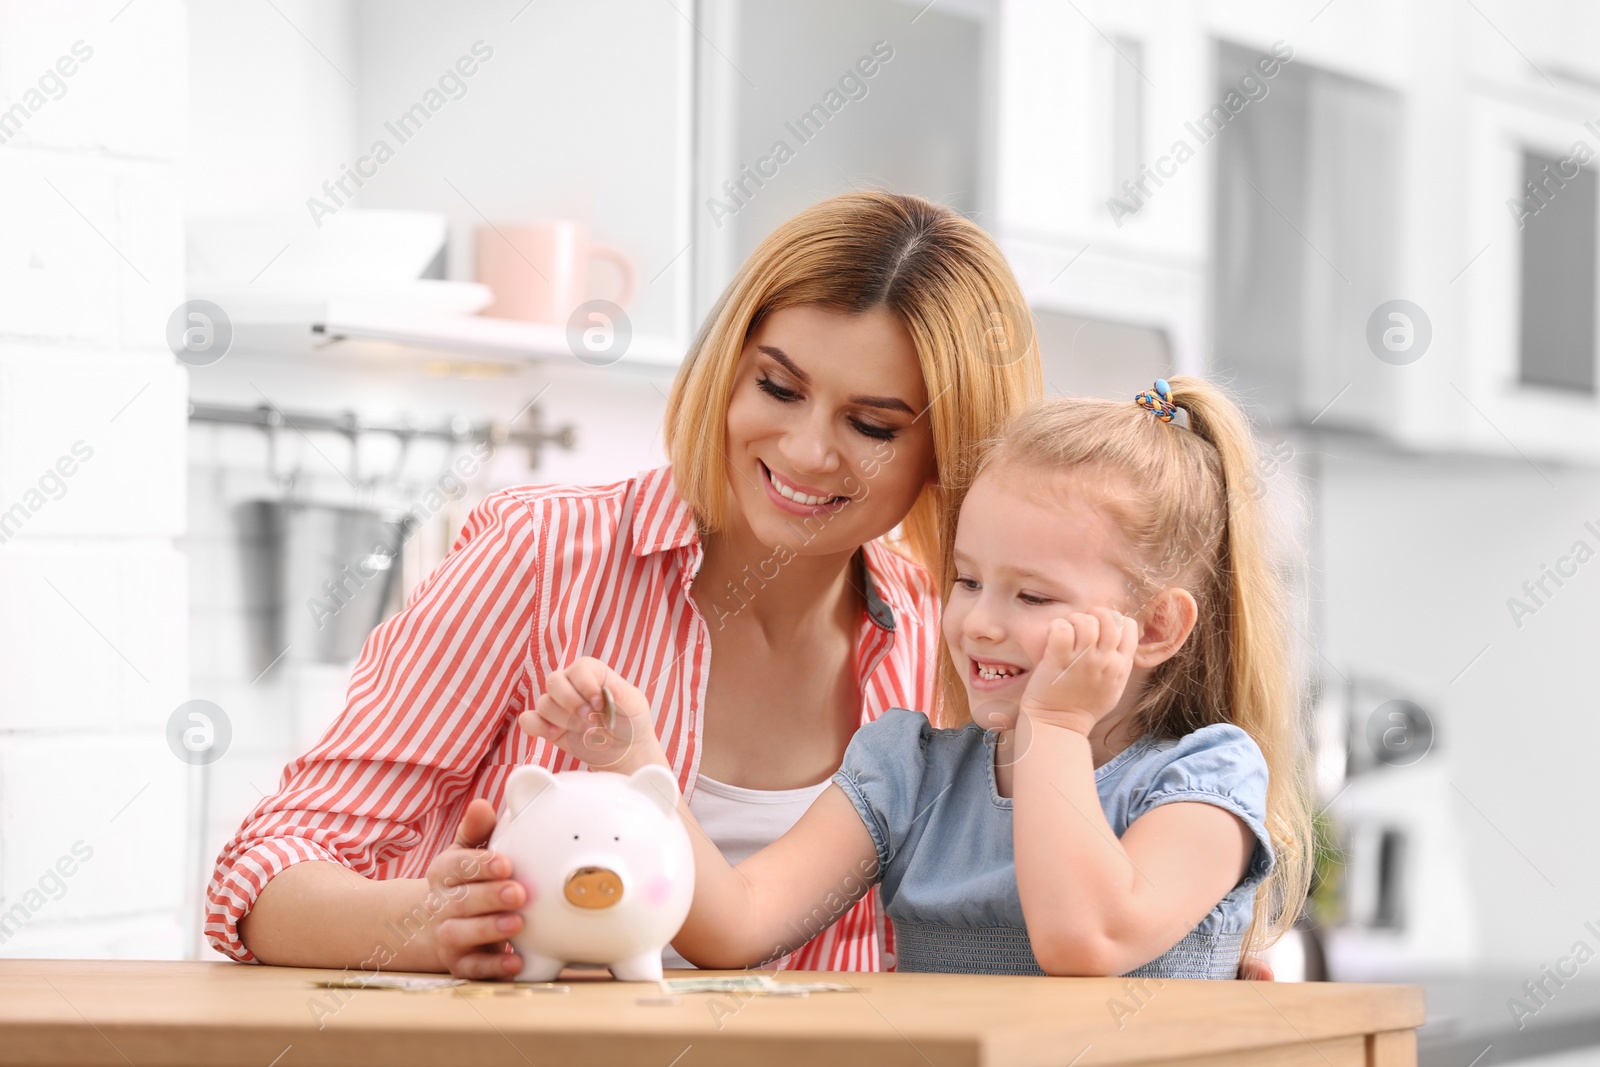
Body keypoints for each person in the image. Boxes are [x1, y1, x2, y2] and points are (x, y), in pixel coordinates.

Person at [205, 190, 1043, 977]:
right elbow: (264, 876)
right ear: (729, 367)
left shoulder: (953, 638)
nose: (804, 449)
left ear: (951, 453)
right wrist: (431, 922)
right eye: (777, 386)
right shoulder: (543, 557)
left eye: (871, 425)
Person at [528, 378, 1313, 977]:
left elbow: (1085, 938)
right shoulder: (908, 768)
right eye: (967, 580)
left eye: (1032, 595)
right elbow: (735, 925)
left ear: (1156, 629)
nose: (979, 622)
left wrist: (1058, 728)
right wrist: (639, 766)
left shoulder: (1202, 779)